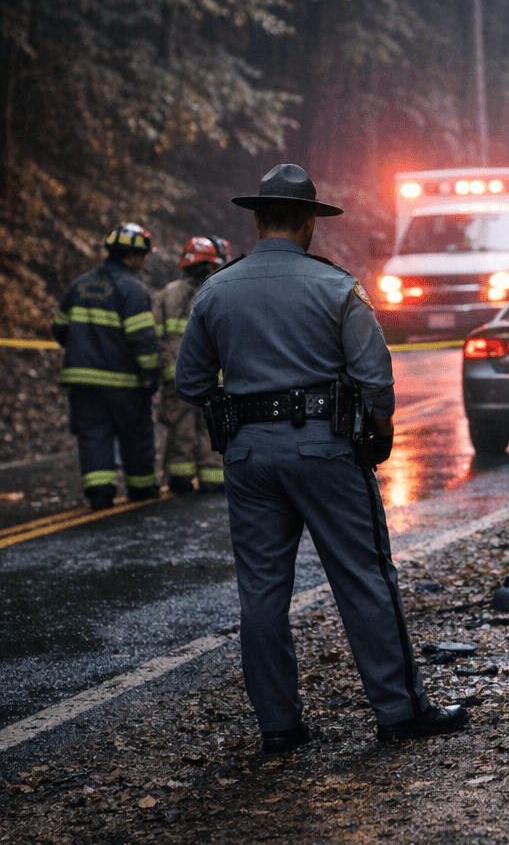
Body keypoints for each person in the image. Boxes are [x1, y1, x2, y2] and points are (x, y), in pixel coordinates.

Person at [175, 163, 466, 752]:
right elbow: (375, 378)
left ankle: (279, 727)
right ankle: (398, 712)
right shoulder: (335, 286)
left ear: (258, 220)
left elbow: (191, 382)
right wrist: (378, 432)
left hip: (249, 455)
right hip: (326, 450)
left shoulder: (215, 289)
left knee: (260, 593)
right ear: (310, 223)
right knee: (363, 578)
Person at [52, 223, 162, 509]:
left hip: (82, 382)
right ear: (132, 256)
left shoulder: (78, 285)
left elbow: (59, 328)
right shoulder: (132, 290)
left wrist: (82, 348)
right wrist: (151, 374)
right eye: (144, 256)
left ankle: (100, 494)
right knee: (135, 434)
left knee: (93, 435)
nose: (143, 262)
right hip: (123, 383)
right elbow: (143, 340)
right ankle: (142, 488)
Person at [153, 236, 228, 494]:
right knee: (212, 428)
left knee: (179, 430)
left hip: (175, 377)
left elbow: (155, 336)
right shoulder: (219, 292)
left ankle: (180, 479)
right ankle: (213, 477)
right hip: (213, 379)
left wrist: (158, 371)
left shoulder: (166, 295)